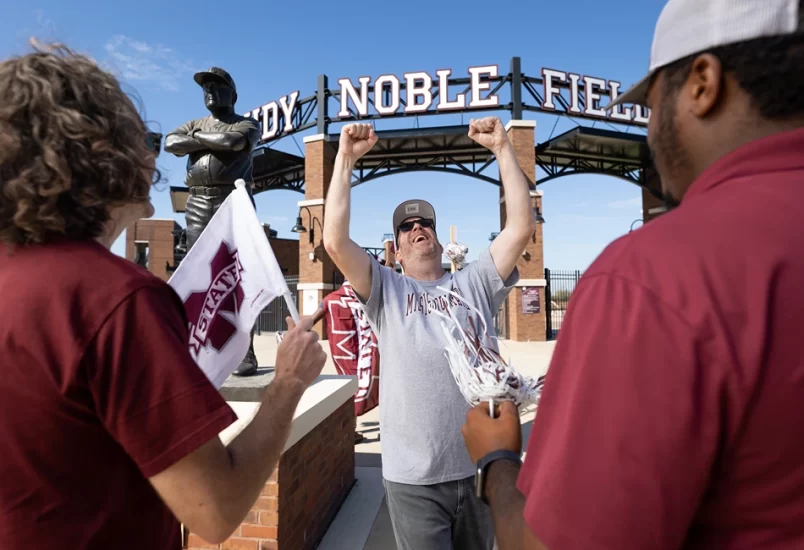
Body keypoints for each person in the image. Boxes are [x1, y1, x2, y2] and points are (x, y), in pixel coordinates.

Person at [460, 1, 804, 549]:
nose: (648, 128)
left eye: (651, 101)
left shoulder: (654, 278)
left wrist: (497, 463)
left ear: (701, 83)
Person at [0, 41, 327, 549]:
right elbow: (215, 510)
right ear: (101, 154)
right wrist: (288, 382)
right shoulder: (116, 302)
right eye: (143, 139)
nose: (155, 153)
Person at [323, 117, 536, 549]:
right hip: (413, 480)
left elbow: (520, 226)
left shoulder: (473, 283)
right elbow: (333, 242)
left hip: (479, 469)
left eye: (425, 223)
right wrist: (344, 159)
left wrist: (502, 150)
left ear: (437, 239)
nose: (418, 227)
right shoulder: (385, 288)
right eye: (407, 226)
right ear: (397, 249)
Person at [164, 66, 262, 376]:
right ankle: (199, 347)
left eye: (217, 87)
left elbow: (234, 143)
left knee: (235, 277)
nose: (209, 92)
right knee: (199, 276)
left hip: (232, 201)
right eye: (205, 88)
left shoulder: (246, 122)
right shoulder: (196, 122)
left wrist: (196, 139)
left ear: (232, 95)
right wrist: (210, 139)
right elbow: (170, 143)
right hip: (197, 203)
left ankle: (245, 353)